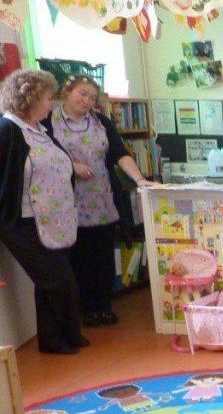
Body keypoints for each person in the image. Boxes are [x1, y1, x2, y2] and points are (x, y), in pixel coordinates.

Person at [43, 75, 156, 326]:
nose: (87, 101)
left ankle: (103, 306)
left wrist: (139, 179)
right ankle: (86, 310)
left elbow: (119, 153)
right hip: (67, 202)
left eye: (92, 98)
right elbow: (44, 155)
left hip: (101, 199)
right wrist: (72, 165)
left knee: (102, 257)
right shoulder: (48, 121)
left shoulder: (101, 122)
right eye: (82, 94)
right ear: (67, 92)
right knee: (79, 258)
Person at [0, 69, 88, 354]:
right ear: (30, 98)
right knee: (58, 279)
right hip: (23, 221)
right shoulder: (7, 130)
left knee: (49, 281)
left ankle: (55, 339)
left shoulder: (41, 130)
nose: (52, 103)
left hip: (54, 218)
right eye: (48, 98)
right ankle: (66, 333)